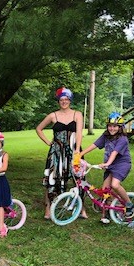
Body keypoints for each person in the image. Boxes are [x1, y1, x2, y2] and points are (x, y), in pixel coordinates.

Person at [35, 86, 86, 220]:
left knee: (78, 178)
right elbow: (39, 129)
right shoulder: (53, 115)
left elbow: (79, 132)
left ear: (70, 100)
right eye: (61, 100)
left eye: (66, 99)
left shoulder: (77, 114)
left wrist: (77, 149)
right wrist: (49, 143)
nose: (64, 102)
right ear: (58, 101)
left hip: (74, 150)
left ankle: (82, 208)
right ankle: (48, 207)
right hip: (57, 152)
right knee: (52, 178)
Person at [78, 112, 133, 224]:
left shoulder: (123, 139)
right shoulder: (106, 135)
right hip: (110, 164)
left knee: (115, 185)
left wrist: (107, 163)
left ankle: (129, 204)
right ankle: (105, 215)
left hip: (121, 164)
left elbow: (114, 152)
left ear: (120, 127)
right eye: (110, 126)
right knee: (105, 190)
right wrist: (80, 154)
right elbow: (94, 145)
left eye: (115, 126)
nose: (112, 128)